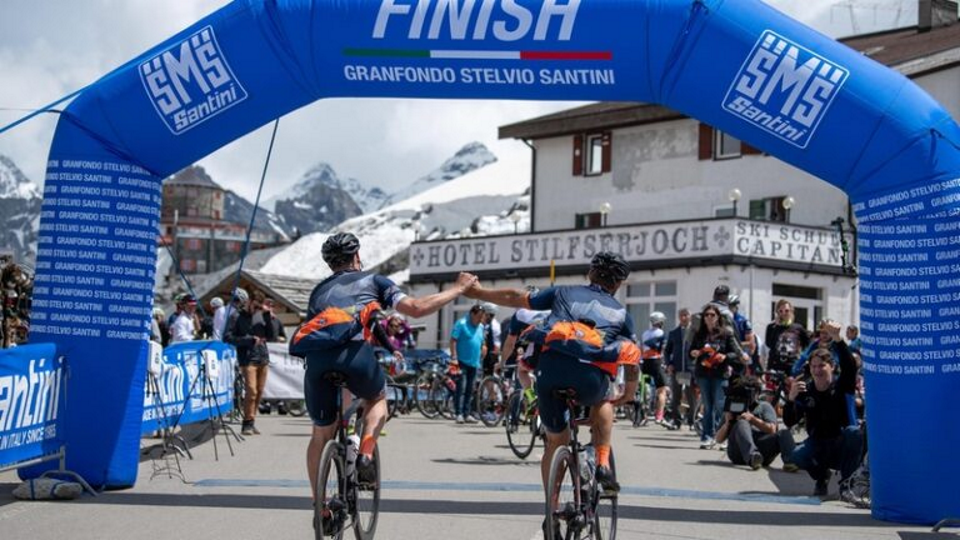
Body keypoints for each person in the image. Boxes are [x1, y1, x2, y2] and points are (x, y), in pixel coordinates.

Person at [294, 232, 476, 513]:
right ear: (357, 256)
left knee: (320, 434)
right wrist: (458, 289)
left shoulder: (318, 291)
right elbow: (416, 308)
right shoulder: (373, 281)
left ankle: (321, 508)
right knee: (377, 398)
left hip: (317, 362)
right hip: (355, 356)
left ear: (330, 264)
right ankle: (366, 453)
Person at [464, 251, 642, 511]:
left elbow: (515, 297)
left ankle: (552, 507)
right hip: (590, 380)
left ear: (590, 273)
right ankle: (603, 463)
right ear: (619, 283)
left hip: (550, 373)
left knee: (556, 441)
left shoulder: (563, 292)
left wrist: (478, 292)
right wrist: (628, 394)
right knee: (604, 400)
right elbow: (631, 359)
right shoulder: (622, 314)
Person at [783, 320, 863, 499]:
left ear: (832, 367)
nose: (817, 370)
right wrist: (791, 399)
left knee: (855, 433)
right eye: (813, 366)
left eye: (821, 366)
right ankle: (821, 477)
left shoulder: (842, 385)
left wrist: (838, 338)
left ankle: (847, 484)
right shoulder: (805, 389)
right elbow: (789, 421)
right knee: (796, 457)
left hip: (841, 442)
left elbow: (850, 366)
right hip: (818, 443)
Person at [224, 289, 276, 435]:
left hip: (262, 357)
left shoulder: (261, 315)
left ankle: (251, 421)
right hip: (247, 358)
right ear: (249, 302)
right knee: (251, 391)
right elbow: (227, 337)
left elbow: (271, 336)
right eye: (255, 306)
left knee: (259, 392)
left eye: (260, 307)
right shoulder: (236, 316)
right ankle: (247, 423)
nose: (257, 309)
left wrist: (267, 316)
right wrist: (249, 340)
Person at [689, 303, 740, 449]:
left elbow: (735, 353)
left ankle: (724, 437)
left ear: (718, 317)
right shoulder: (699, 334)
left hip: (720, 374)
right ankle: (707, 437)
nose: (709, 317)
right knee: (708, 406)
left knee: (720, 405)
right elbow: (691, 351)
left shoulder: (726, 333)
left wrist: (725, 356)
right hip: (703, 373)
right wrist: (694, 353)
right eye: (706, 315)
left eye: (712, 315)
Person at [715, 376, 795, 470]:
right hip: (738, 452)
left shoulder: (764, 406)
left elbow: (772, 430)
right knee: (742, 423)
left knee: (784, 433)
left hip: (762, 448)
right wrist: (727, 424)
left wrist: (753, 419)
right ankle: (752, 456)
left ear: (757, 393)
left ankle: (791, 461)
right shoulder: (732, 407)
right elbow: (718, 439)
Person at [498, 291, 550, 409]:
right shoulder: (550, 310)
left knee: (522, 371)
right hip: (560, 349)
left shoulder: (520, 314)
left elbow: (509, 344)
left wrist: (502, 362)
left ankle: (532, 400)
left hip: (536, 350)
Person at [450, 304, 486, 424]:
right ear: (472, 314)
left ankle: (467, 413)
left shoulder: (481, 327)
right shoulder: (461, 323)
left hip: (474, 362)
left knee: (471, 389)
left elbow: (481, 341)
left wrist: (484, 346)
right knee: (461, 387)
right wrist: (454, 358)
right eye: (479, 316)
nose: (480, 319)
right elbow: (453, 340)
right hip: (460, 361)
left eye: (482, 317)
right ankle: (459, 413)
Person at [664, 308, 695, 429]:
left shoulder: (695, 332)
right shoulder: (674, 333)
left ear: (690, 316)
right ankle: (676, 421)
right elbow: (667, 351)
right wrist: (669, 364)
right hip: (677, 369)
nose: (683, 318)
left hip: (690, 369)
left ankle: (692, 421)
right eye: (681, 315)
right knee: (676, 396)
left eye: (686, 315)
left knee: (691, 396)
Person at [763, 299, 809, 374]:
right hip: (775, 365)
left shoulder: (798, 328)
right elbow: (769, 344)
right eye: (780, 311)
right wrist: (777, 327)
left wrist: (802, 358)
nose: (784, 313)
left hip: (792, 365)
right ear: (777, 312)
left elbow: (807, 344)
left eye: (786, 311)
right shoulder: (771, 327)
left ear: (791, 311)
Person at [640, 311, 670, 425]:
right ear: (661, 322)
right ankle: (659, 416)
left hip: (645, 362)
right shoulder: (661, 333)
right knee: (662, 390)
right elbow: (663, 349)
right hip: (656, 362)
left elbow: (642, 347)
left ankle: (644, 415)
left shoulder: (645, 333)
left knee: (645, 388)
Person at [728, 295, 756, 374]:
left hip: (739, 357)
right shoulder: (722, 320)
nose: (729, 308)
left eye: (731, 306)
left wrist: (734, 344)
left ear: (736, 307)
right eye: (727, 306)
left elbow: (750, 342)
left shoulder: (743, 322)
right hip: (726, 356)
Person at [480, 302, 501, 378]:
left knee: (489, 377)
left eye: (492, 315)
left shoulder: (494, 325)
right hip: (482, 354)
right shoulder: (481, 324)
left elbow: (497, 342)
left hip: (491, 355)